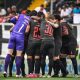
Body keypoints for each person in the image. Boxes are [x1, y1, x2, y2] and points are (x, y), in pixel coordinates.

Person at [3, 13, 30, 77]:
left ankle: (5, 71)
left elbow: (11, 20)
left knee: (9, 53)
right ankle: (17, 74)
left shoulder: (20, 16)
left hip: (13, 35)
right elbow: (27, 31)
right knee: (18, 56)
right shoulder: (29, 20)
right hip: (20, 37)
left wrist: (15, 19)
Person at [26, 11, 44, 78]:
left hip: (31, 41)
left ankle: (30, 73)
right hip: (39, 41)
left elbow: (27, 31)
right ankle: (37, 73)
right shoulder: (42, 21)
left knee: (29, 57)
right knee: (37, 58)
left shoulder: (30, 21)